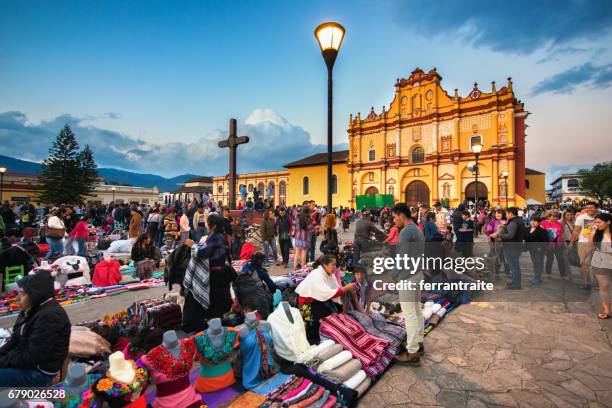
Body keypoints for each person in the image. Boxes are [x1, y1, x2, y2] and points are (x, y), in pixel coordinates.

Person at [0, 272, 71, 386]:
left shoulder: (50, 316)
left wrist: (3, 362)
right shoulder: (31, 308)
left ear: (35, 295)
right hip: (26, 361)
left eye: (22, 294)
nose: (17, 298)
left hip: (40, 373)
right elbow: (15, 339)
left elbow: (32, 357)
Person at [182, 215, 234, 332]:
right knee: (217, 300)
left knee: (215, 300)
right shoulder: (220, 236)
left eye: (207, 223)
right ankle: (216, 323)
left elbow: (204, 253)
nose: (206, 225)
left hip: (217, 274)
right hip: (220, 272)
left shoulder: (216, 237)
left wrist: (193, 245)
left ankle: (215, 326)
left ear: (213, 226)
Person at [391, 203, 425, 366]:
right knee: (417, 309)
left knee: (410, 313)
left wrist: (394, 274)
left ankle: (412, 352)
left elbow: (402, 257)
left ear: (402, 216)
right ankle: (418, 342)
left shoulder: (405, 232)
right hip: (417, 274)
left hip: (407, 277)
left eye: (395, 217)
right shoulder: (417, 229)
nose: (394, 220)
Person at [295, 254, 355, 344]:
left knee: (336, 313)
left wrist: (345, 292)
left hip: (319, 300)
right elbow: (326, 293)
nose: (335, 267)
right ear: (325, 265)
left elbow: (334, 291)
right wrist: (345, 289)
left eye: (335, 264)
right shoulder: (317, 274)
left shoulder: (330, 275)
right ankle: (315, 340)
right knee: (318, 323)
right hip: (307, 303)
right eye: (332, 265)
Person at [491, 207, 525, 290]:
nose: (506, 215)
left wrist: (498, 236)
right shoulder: (519, 221)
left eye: (506, 213)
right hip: (516, 246)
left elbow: (510, 235)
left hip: (512, 247)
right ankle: (514, 282)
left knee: (514, 266)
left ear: (511, 213)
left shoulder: (513, 222)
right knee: (514, 265)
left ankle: (516, 284)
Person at [570, 202, 599, 289]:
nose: (589, 209)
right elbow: (576, 231)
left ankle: (597, 283)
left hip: (598, 244)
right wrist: (572, 242)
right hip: (584, 243)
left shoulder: (600, 217)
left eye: (592, 207)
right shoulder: (581, 217)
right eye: (587, 207)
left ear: (596, 208)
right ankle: (586, 283)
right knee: (585, 264)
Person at [589, 213, 612, 319]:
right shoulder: (596, 233)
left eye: (599, 222)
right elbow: (591, 247)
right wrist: (592, 233)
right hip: (600, 262)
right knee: (604, 286)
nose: (597, 224)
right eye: (596, 222)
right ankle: (607, 309)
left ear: (608, 222)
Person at [540, 211, 567, 278]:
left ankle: (562, 273)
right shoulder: (544, 223)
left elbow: (562, 233)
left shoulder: (559, 223)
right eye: (553, 216)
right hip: (549, 244)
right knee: (550, 258)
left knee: (560, 259)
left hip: (558, 243)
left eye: (556, 216)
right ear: (549, 217)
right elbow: (541, 233)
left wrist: (564, 242)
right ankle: (548, 272)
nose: (555, 218)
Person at [525, 215, 548, 286]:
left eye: (535, 221)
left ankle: (537, 278)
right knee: (535, 263)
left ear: (539, 222)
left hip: (539, 250)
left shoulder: (542, 230)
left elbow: (545, 241)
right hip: (531, 249)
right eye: (532, 220)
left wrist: (540, 248)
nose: (533, 222)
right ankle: (536, 276)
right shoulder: (527, 229)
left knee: (539, 263)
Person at [293, 206, 313, 271]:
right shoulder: (308, 219)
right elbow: (310, 229)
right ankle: (303, 266)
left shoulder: (297, 217)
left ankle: (294, 267)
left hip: (298, 236)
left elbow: (294, 226)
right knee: (304, 252)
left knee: (297, 252)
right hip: (305, 237)